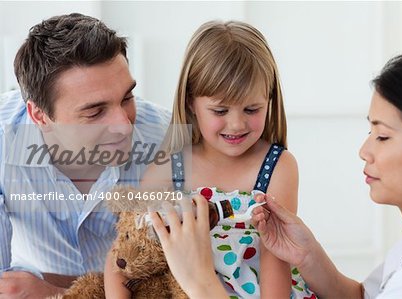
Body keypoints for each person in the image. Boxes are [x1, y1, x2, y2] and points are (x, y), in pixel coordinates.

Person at [149, 51, 402, 299]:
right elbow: (365, 297)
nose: (364, 150)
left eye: (382, 136)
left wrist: (200, 281)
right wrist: (308, 256)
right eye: (369, 131)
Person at [104, 20, 315, 298]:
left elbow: (276, 261)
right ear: (191, 102)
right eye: (219, 111)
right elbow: (126, 246)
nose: (237, 124)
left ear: (270, 99)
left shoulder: (277, 167)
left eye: (252, 109)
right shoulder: (171, 167)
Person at [0, 13, 170, 297]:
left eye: (127, 98)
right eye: (95, 112)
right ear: (39, 116)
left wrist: (56, 293)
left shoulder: (167, 138)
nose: (123, 125)